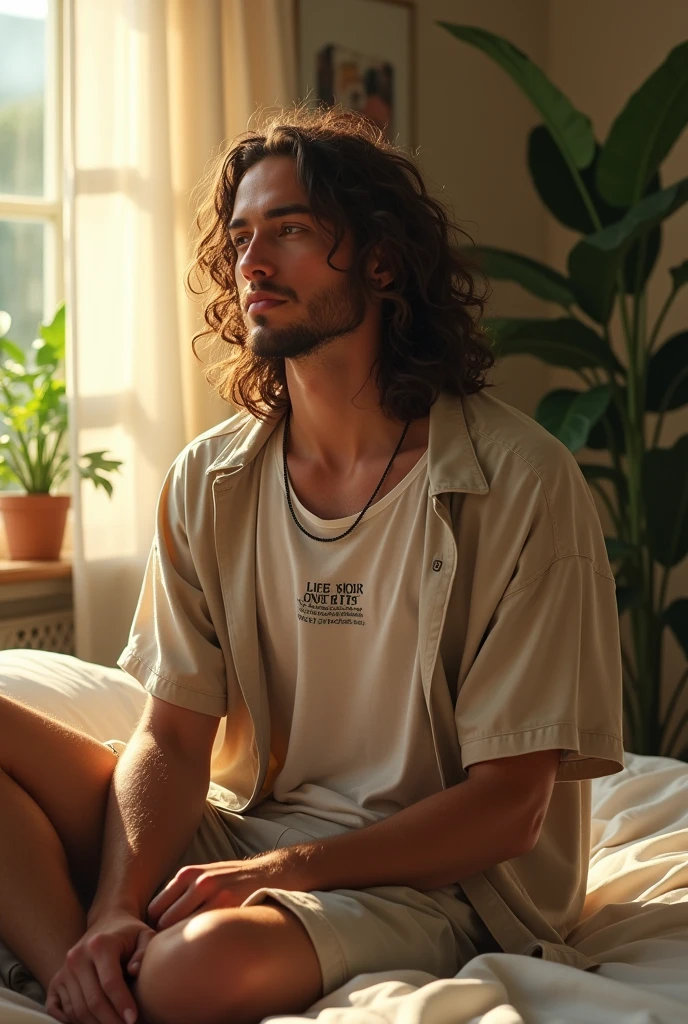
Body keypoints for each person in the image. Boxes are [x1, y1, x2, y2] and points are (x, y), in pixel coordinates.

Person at [0, 104, 625, 1024]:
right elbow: (172, 740)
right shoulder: (211, 479)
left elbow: (507, 812)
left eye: (289, 231)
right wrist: (113, 910)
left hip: (434, 876)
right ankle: (80, 984)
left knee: (188, 974)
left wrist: (281, 871)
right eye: (242, 236)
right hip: (243, 825)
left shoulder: (522, 482)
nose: (252, 262)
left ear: (379, 261)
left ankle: (120, 986)